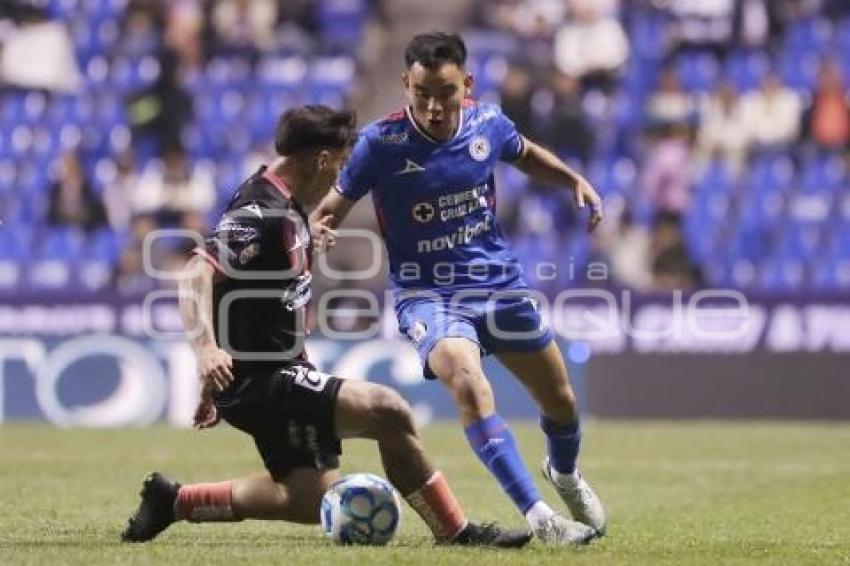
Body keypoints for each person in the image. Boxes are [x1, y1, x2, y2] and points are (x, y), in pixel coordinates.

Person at [121, 105, 531, 548]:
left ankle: (175, 501)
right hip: (264, 377)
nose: (339, 178)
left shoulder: (287, 209)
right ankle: (455, 531)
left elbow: (242, 288)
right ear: (320, 160)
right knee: (388, 410)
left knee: (306, 497)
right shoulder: (263, 212)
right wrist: (205, 353)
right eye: (339, 164)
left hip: (266, 370)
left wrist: (213, 378)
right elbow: (197, 274)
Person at [311, 32, 605, 545]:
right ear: (405, 84)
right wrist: (320, 227)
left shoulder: (487, 123)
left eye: (445, 92)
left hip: (499, 284)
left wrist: (571, 179)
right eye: (421, 92)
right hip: (427, 295)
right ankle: (541, 517)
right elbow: (331, 205)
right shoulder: (380, 144)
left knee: (560, 402)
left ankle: (564, 474)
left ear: (465, 85)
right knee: (469, 385)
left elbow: (525, 153)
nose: (433, 105)